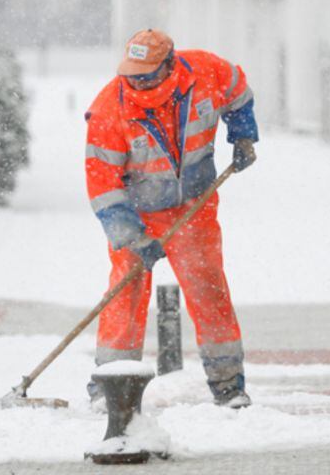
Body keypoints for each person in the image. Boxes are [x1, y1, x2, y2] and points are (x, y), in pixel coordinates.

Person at [84, 28, 258, 408]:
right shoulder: (109, 110)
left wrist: (243, 135)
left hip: (194, 207)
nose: (138, 82)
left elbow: (238, 89)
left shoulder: (205, 71)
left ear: (170, 65)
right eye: (132, 74)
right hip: (137, 214)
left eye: (146, 74)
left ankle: (229, 385)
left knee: (208, 288)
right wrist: (133, 237)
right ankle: (110, 390)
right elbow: (103, 187)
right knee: (124, 295)